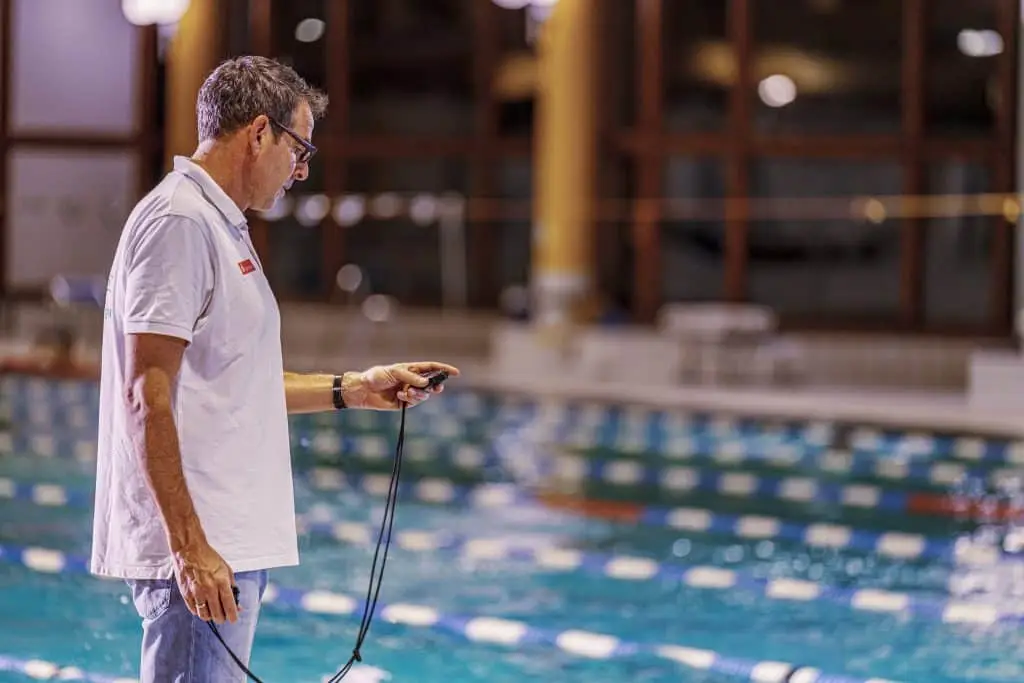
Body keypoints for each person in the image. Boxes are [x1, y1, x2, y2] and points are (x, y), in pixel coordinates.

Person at [88, 55, 460, 682]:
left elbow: (235, 383)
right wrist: (189, 546)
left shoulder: (219, 225)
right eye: (300, 149)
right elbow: (145, 392)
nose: (303, 169)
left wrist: (355, 388)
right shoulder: (180, 222)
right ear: (260, 132)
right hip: (203, 548)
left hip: (223, 545)